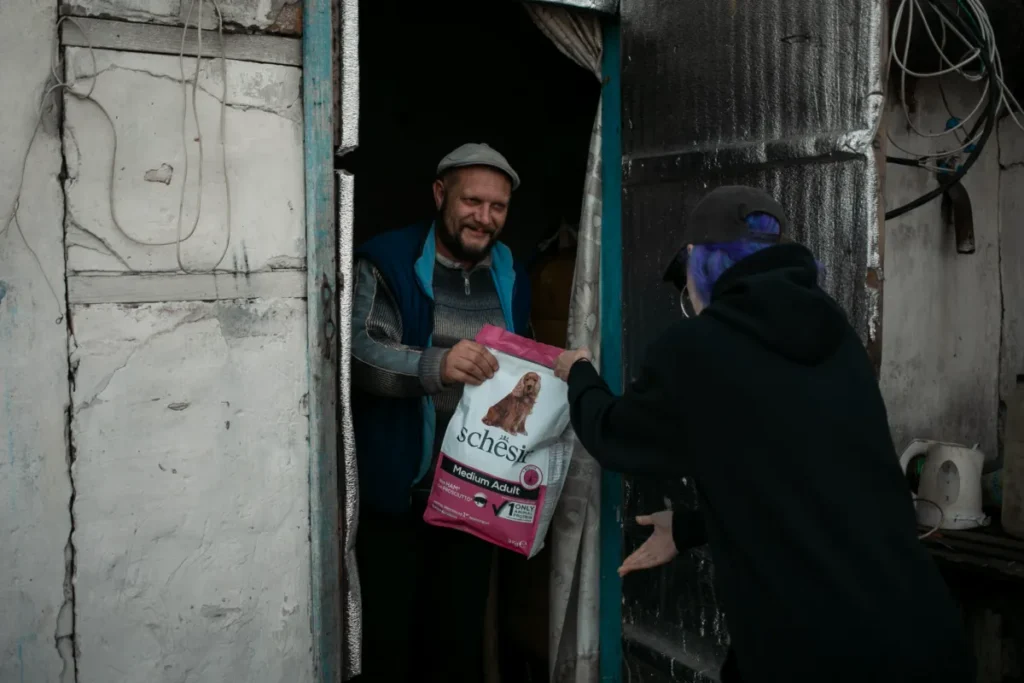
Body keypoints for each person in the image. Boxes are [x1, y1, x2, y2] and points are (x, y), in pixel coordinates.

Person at [553, 186, 974, 683]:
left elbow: (614, 435)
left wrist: (579, 373)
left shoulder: (697, 350)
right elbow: (794, 474)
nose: (686, 295)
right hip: (924, 636)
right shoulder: (836, 336)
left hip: (815, 654)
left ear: (702, 264)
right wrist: (689, 528)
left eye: (684, 279)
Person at [350, 143, 531, 682]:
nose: (484, 217)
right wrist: (437, 365)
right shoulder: (388, 259)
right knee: (389, 649)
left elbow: (520, 361)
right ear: (439, 194)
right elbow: (359, 355)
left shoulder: (509, 269)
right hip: (401, 498)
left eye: (498, 207)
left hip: (475, 500)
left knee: (455, 649)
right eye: (472, 201)